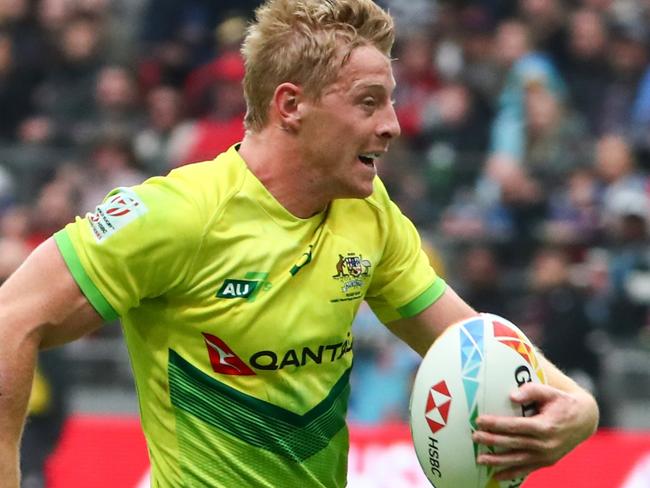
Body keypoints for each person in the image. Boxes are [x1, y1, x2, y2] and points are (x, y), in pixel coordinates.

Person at [0, 1, 599, 487]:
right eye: (369, 101)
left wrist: (578, 406)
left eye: (390, 100)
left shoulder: (369, 213)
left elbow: (466, 337)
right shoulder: (179, 215)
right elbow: (12, 319)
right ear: (291, 105)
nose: (392, 123)